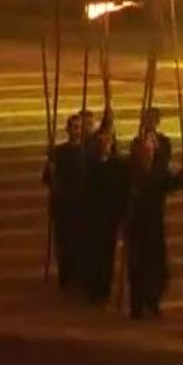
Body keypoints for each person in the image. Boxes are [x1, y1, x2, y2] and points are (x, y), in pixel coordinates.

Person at [125, 135, 183, 320]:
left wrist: (182, 176)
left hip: (154, 226)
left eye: (151, 150)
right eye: (145, 151)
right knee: (137, 268)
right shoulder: (130, 171)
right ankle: (137, 305)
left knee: (157, 268)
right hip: (136, 226)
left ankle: (153, 300)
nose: (148, 154)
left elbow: (171, 183)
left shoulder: (159, 172)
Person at [83, 123, 127, 305]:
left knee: (107, 254)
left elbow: (122, 191)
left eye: (108, 140)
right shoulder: (90, 164)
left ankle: (105, 288)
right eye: (102, 140)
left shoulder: (118, 165)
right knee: (93, 253)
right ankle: (93, 288)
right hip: (93, 216)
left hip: (110, 217)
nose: (105, 143)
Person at [42, 114, 87, 292]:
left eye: (79, 127)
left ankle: (79, 276)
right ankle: (66, 278)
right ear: (68, 130)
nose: (77, 131)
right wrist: (50, 170)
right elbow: (47, 179)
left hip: (82, 205)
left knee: (81, 243)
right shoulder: (58, 152)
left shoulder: (87, 152)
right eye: (74, 127)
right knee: (64, 243)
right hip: (63, 205)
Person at [134, 107, 172, 172]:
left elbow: (165, 161)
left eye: (152, 119)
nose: (149, 122)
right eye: (147, 118)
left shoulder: (164, 141)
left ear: (157, 121)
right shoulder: (137, 141)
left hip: (158, 174)